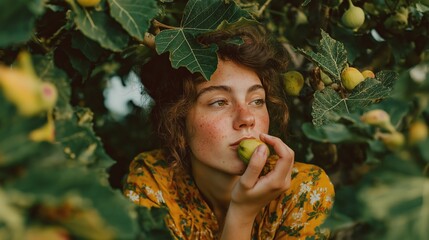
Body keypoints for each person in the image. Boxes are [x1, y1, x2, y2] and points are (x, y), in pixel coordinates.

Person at [123, 22, 335, 239]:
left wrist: (241, 212)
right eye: (219, 102)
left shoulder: (305, 189)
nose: (246, 119)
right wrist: (242, 213)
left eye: (257, 101)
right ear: (177, 118)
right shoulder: (154, 179)